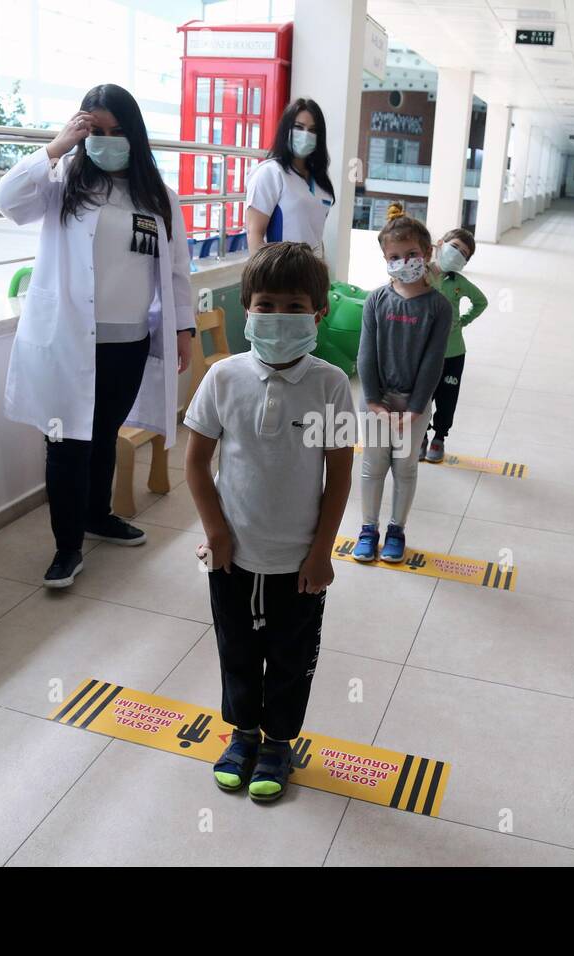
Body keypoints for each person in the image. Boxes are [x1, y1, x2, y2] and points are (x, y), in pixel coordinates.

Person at [0, 84, 195, 589]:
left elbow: (175, 272)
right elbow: (6, 200)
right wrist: (56, 146)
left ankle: (98, 516)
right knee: (65, 444)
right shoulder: (62, 181)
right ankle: (66, 548)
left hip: (127, 342)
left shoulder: (158, 198)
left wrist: (184, 330)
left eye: (117, 131)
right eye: (95, 132)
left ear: (135, 135)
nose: (107, 141)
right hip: (66, 342)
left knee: (104, 434)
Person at [184, 241, 355, 802]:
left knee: (289, 655)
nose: (278, 318)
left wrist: (321, 552)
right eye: (266, 305)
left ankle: (278, 741)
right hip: (232, 554)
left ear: (318, 313)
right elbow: (195, 461)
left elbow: (339, 475)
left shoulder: (329, 384)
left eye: (293, 306)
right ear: (246, 308)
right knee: (236, 649)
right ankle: (242, 733)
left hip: (298, 559)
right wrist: (215, 532)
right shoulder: (223, 377)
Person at [354, 214, 452, 564]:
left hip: (415, 404)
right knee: (372, 466)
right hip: (377, 402)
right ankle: (368, 529)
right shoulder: (376, 301)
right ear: (385, 260)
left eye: (410, 253)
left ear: (426, 252)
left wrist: (414, 408)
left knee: (406, 468)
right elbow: (366, 353)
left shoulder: (438, 307)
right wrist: (373, 401)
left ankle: (396, 529)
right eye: (394, 257)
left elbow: (433, 361)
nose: (403, 262)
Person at [422, 227, 488, 463]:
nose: (458, 254)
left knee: (447, 397)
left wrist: (463, 321)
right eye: (455, 247)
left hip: (453, 353)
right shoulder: (421, 274)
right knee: (422, 395)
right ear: (440, 243)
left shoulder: (458, 282)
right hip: (424, 352)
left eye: (464, 253)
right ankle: (420, 436)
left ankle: (439, 437)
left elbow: (481, 301)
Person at [244, 98, 334, 257]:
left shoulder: (321, 183)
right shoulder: (270, 173)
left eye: (313, 130)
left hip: (313, 275)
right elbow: (255, 234)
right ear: (286, 130)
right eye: (299, 127)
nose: (306, 135)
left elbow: (316, 237)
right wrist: (266, 278)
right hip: (280, 275)